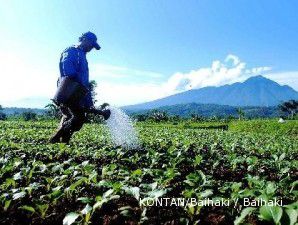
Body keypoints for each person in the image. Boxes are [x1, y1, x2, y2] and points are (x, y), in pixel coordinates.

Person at [49, 31, 110, 144]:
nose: (91, 48)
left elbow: (84, 82)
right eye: (91, 44)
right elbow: (68, 70)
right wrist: (75, 79)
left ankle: (63, 142)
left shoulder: (82, 56)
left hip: (78, 90)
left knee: (71, 117)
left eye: (93, 46)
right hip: (69, 89)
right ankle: (55, 138)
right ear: (84, 39)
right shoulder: (72, 51)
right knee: (79, 117)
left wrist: (88, 101)